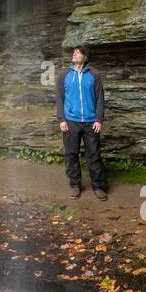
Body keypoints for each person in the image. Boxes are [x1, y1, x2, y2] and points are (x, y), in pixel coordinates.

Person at [55, 45, 107, 200]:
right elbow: (59, 98)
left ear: (85, 57)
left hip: (91, 122)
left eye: (78, 53)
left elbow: (100, 98)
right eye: (74, 52)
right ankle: (75, 185)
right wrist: (62, 119)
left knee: (94, 155)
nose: (74, 54)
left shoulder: (94, 75)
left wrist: (99, 119)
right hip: (71, 122)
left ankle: (98, 186)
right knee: (71, 154)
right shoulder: (64, 75)